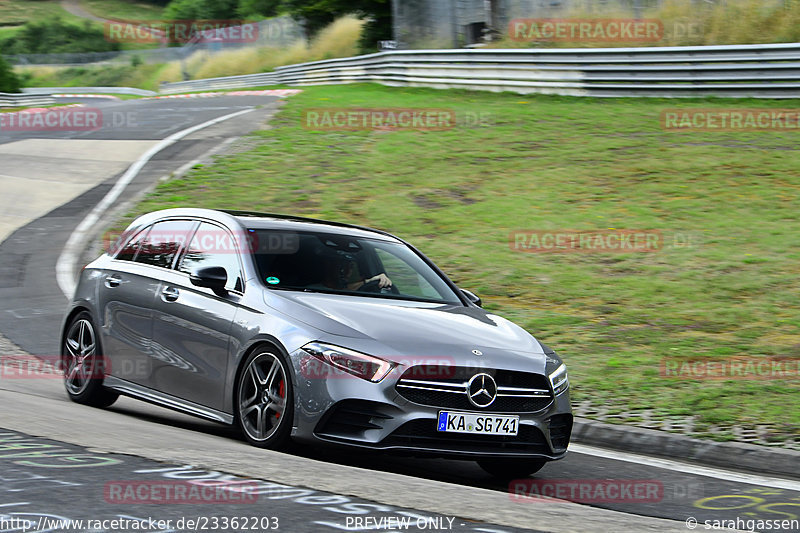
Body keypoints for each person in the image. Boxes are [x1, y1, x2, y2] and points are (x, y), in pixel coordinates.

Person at [321, 254, 392, 291]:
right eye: (342, 267)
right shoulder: (317, 289)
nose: (347, 271)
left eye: (351, 266)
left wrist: (382, 281)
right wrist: (367, 281)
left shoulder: (360, 289)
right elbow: (343, 290)